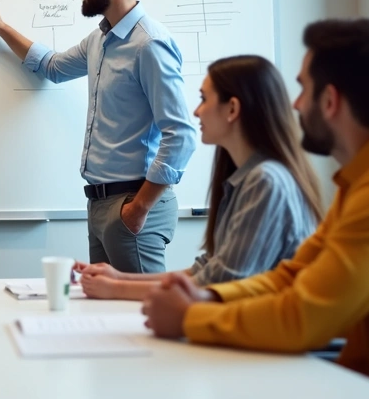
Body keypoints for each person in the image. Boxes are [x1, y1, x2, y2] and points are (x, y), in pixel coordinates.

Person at [143, 19, 369, 387]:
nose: (296, 104)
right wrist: (206, 297)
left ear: (331, 101)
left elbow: (305, 317)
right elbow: (293, 276)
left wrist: (190, 317)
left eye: (304, 89)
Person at [0, 0, 197, 273]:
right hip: (101, 204)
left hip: (132, 205)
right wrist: (1, 28)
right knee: (106, 303)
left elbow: (182, 135)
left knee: (139, 306)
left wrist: (139, 209)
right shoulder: (100, 40)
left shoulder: (149, 45)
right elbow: (52, 67)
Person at [77, 55, 322, 300]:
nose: (196, 111)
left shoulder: (266, 181)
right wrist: (118, 278)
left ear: (232, 109)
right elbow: (206, 269)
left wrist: (116, 288)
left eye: (204, 99)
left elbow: (221, 283)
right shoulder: (245, 178)